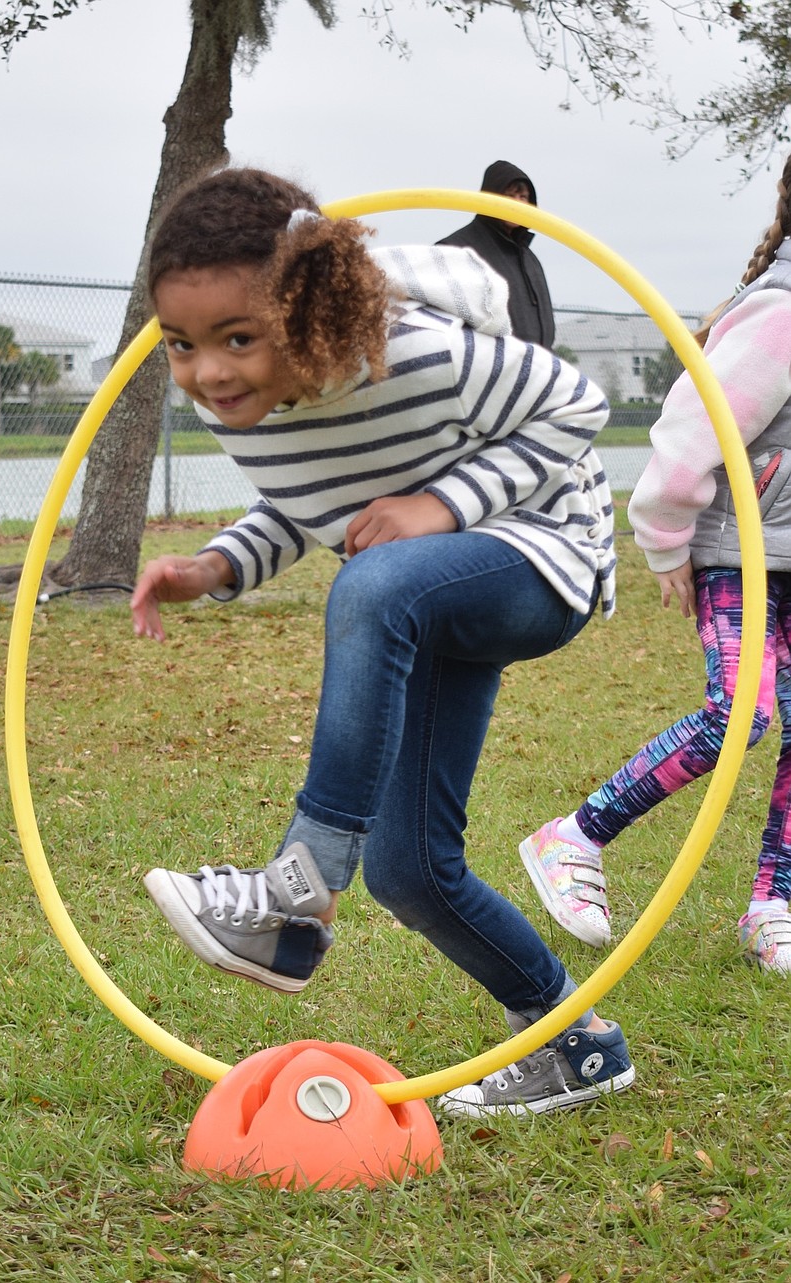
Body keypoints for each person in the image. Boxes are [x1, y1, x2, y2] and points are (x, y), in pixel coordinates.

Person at [131, 164, 634, 1118]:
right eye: (181, 345)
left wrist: (440, 504)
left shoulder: (420, 354)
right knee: (411, 870)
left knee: (373, 583)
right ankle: (576, 1041)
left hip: (543, 557)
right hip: (422, 592)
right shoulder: (231, 400)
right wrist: (216, 565)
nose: (210, 372)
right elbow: (312, 498)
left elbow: (578, 406)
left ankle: (299, 888)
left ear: (307, 310)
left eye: (238, 338)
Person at [520, 153, 791, 976]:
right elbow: (694, 421)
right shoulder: (782, 309)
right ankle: (576, 834)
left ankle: (773, 904)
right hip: (742, 550)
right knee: (738, 712)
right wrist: (667, 535)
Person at [437, 160, 555, 347]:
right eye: (509, 196)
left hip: (536, 361)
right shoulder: (456, 250)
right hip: (484, 363)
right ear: (490, 198)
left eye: (523, 197)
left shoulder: (528, 258)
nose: (517, 204)